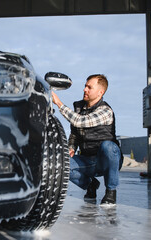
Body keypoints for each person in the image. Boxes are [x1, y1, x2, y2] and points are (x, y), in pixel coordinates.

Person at [52, 74, 122, 205]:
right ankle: (90, 185)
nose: (85, 89)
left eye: (89, 87)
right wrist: (71, 147)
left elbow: (80, 121)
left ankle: (111, 191)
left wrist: (59, 103)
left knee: (108, 146)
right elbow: (74, 134)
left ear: (100, 92)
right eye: (85, 86)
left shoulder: (105, 111)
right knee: (62, 165)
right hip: (87, 159)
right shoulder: (79, 108)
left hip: (105, 159)